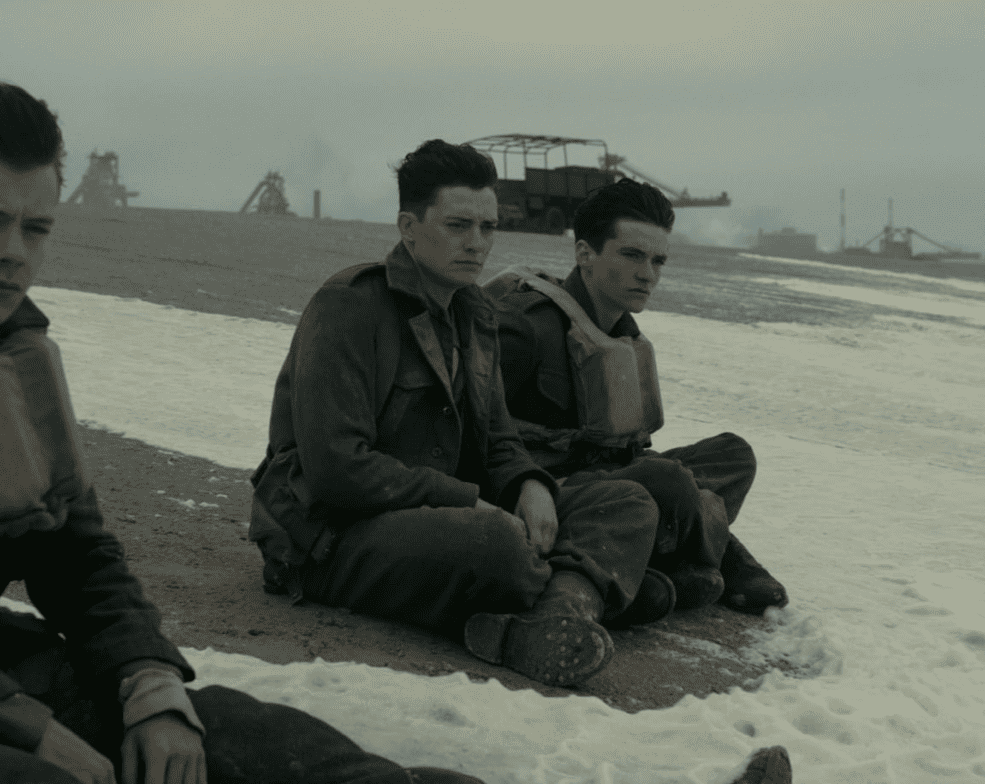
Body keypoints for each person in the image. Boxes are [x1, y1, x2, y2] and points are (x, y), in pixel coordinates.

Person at [0, 84, 790, 784]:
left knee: (239, 734)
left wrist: (142, 679)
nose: (13, 253)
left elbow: (77, 544)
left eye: (35, 227)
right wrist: (19, 721)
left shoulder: (8, 332)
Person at [251, 140, 675, 689]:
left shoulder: (474, 312)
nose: (477, 244)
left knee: (627, 501)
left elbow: (498, 438)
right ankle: (582, 590)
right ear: (409, 226)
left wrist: (528, 485)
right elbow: (338, 470)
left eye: (489, 228)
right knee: (497, 546)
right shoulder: (349, 307)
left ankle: (555, 613)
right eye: (457, 225)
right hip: (332, 536)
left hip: (442, 513)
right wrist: (467, 501)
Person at [488, 179, 789, 614]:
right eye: (632, 255)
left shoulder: (623, 335)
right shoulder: (527, 326)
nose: (647, 274)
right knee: (666, 482)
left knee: (733, 456)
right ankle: (711, 559)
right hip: (553, 498)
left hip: (619, 484)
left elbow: (630, 448)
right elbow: (471, 430)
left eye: (657, 261)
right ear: (585, 254)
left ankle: (663, 563)